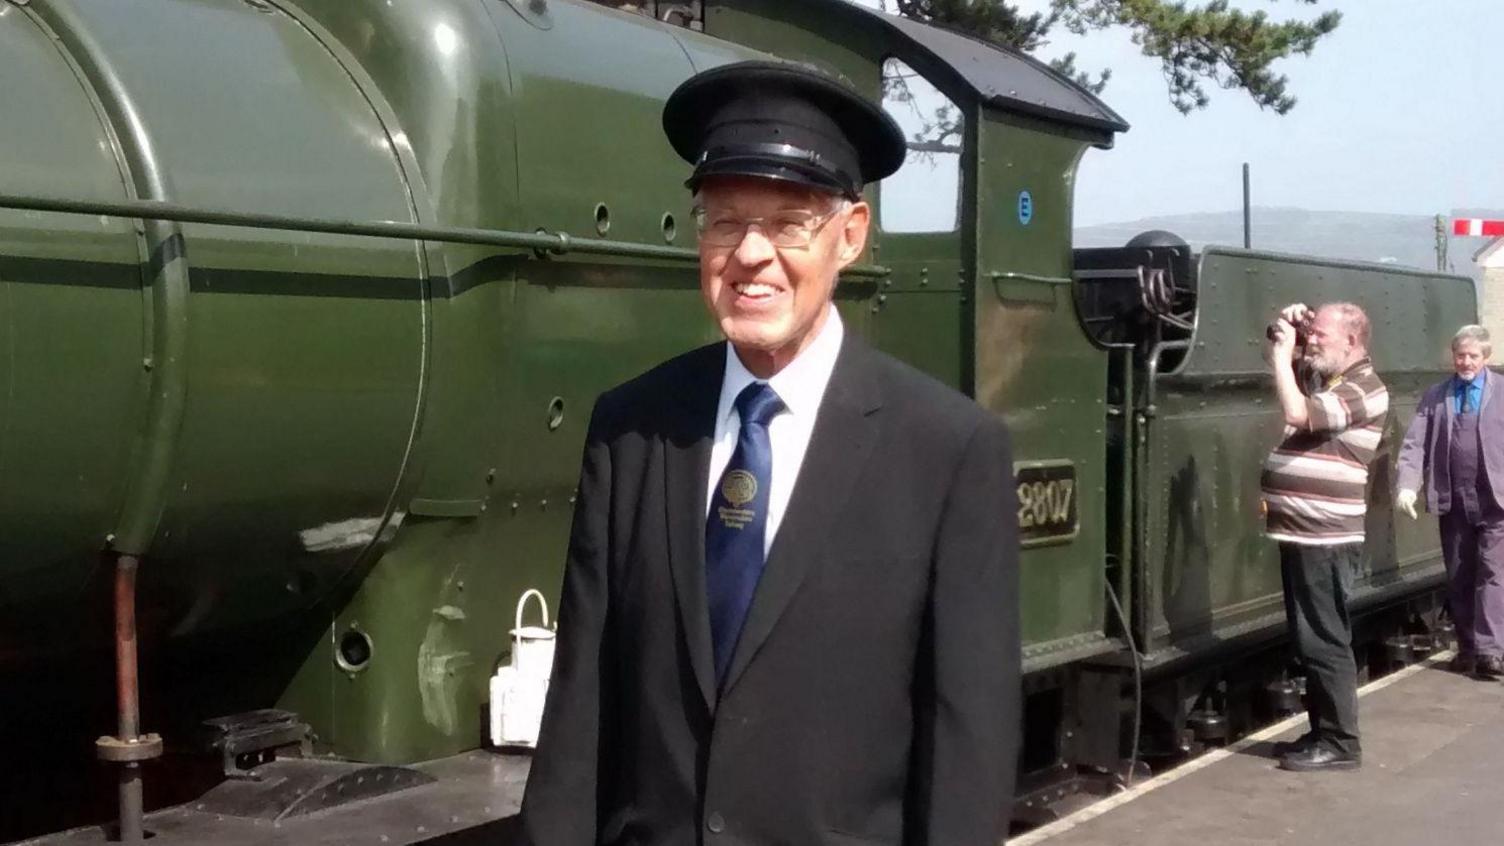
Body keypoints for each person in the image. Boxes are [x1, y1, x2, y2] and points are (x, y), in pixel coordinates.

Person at [518, 61, 1020, 845]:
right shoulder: (632, 429)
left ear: (849, 236)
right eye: (724, 222)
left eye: (789, 224)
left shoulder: (947, 450)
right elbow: (581, 704)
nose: (751, 255)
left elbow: (968, 741)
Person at [1260, 301, 1388, 772]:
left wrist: (1282, 354)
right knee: (1309, 637)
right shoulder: (1336, 383)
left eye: (1321, 336)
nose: (1312, 342)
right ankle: (1322, 732)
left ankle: (1340, 743)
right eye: (1312, 334)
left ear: (1352, 341)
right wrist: (1290, 330)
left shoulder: (1364, 390)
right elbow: (1300, 381)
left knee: (1324, 639)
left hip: (1324, 537)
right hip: (1305, 533)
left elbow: (1296, 412)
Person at [1395, 325, 1504, 679]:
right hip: (1453, 499)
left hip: (1495, 500)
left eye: (1473, 356)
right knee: (1459, 575)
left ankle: (1491, 651)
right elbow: (1415, 443)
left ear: (1486, 357)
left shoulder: (1502, 392)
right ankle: (1468, 648)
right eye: (1460, 355)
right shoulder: (1436, 396)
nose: (1466, 362)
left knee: (1493, 573)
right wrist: (1408, 485)